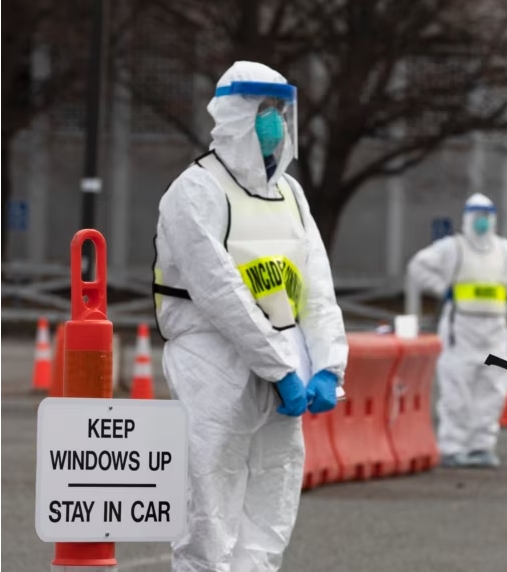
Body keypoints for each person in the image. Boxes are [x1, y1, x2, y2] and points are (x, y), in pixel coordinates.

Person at [152, 61, 347, 571]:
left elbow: (317, 290)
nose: (276, 123)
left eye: (281, 110)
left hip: (282, 363)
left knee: (273, 493)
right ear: (234, 115)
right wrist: (279, 370)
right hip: (212, 363)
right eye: (264, 110)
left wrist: (328, 364)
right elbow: (222, 294)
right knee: (208, 503)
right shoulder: (194, 192)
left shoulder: (291, 194)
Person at [407, 193, 507, 468]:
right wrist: (442, 289)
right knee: (457, 388)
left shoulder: (504, 250)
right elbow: (418, 265)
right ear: (467, 218)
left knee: (492, 389)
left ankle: (481, 445)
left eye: (486, 216)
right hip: (460, 329)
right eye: (477, 216)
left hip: (494, 330)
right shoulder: (453, 248)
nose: (481, 222)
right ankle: (453, 447)